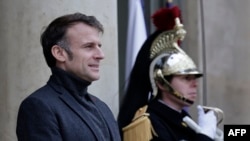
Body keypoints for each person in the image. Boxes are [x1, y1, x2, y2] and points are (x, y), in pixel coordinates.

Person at [118, 2, 222, 141]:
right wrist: (205, 136)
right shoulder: (147, 124)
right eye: (186, 78)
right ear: (161, 82)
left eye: (194, 78)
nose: (194, 84)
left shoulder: (183, 120)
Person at [16, 12, 121, 141]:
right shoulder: (39, 106)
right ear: (59, 53)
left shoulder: (102, 107)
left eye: (99, 46)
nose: (101, 55)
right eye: (88, 46)